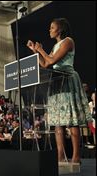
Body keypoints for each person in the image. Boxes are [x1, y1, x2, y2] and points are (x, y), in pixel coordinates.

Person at [27, 18, 92, 164]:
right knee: (58, 122)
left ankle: (76, 158)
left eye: (52, 27)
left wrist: (40, 50)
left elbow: (51, 61)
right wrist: (35, 52)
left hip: (68, 80)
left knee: (72, 121)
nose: (49, 30)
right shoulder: (55, 46)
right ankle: (60, 157)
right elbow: (44, 64)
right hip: (56, 82)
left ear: (60, 29)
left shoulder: (68, 41)